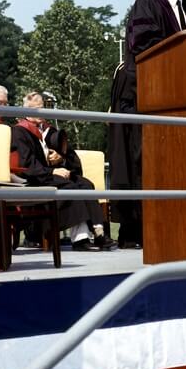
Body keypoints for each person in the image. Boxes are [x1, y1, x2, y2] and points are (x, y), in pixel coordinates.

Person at [108, 0, 186, 249]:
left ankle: (172, 223)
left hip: (178, 98)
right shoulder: (148, 4)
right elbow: (144, 44)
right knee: (139, 161)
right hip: (142, 92)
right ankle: (134, 231)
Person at [11, 92, 114, 251]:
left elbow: (71, 158)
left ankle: (99, 232)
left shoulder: (50, 131)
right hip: (36, 178)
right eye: (36, 109)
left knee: (85, 184)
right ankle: (80, 239)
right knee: (72, 188)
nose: (41, 112)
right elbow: (26, 163)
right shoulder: (20, 132)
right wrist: (52, 172)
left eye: (42, 108)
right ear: (25, 112)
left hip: (54, 176)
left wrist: (61, 159)